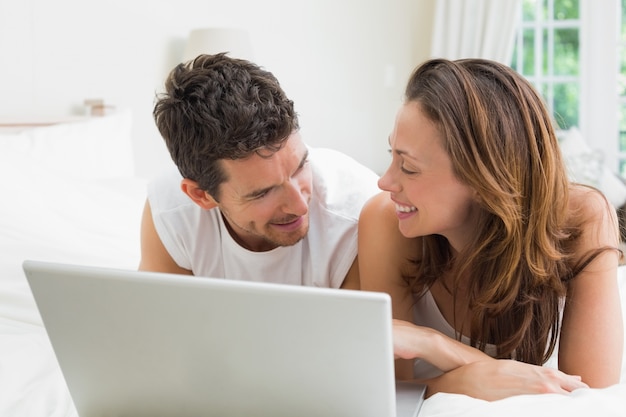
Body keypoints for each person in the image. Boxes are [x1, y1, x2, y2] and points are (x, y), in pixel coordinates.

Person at [358, 58, 624, 400]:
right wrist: (451, 366)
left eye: (408, 167)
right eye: (391, 155)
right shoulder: (386, 221)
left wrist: (440, 351)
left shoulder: (584, 219)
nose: (384, 181)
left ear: (485, 182)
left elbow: (588, 398)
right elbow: (387, 391)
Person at [139, 53, 380, 289]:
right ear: (201, 195)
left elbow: (364, 328)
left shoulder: (359, 213)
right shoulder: (170, 213)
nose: (299, 206)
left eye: (299, 167)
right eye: (263, 193)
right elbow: (161, 324)